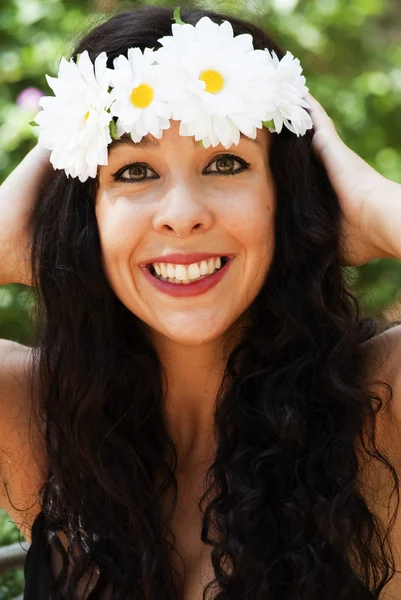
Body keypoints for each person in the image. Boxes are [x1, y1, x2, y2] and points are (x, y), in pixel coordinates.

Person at [0, 4, 401, 599]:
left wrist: (372, 203)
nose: (183, 215)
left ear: (284, 202)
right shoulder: (34, 412)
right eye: (134, 172)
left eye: (226, 162)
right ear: (87, 217)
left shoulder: (384, 401)